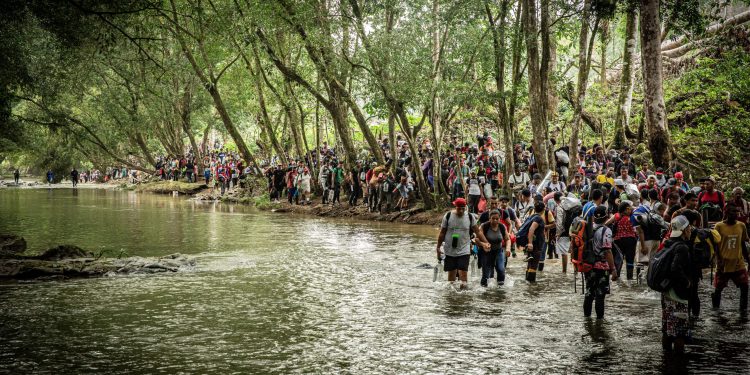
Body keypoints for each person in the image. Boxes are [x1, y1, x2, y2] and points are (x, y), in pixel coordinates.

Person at [436, 198, 491, 289]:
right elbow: (442, 233)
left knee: (464, 276)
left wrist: (486, 242)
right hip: (450, 249)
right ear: (455, 207)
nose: (461, 210)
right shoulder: (448, 216)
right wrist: (438, 247)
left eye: (463, 208)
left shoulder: (469, 217)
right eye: (459, 208)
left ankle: (464, 296)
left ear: (465, 207)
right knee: (451, 278)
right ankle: (452, 298)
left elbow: (478, 232)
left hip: (464, 249)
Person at [660, 215, 694, 353]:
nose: (690, 230)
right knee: (680, 333)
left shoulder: (667, 242)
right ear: (684, 230)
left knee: (667, 329)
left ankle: (666, 360)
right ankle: (679, 364)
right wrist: (687, 282)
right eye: (689, 228)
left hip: (666, 293)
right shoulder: (682, 247)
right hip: (677, 296)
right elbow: (675, 268)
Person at [711, 204, 749, 313]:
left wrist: (748, 260)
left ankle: (743, 311)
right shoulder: (719, 226)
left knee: (745, 287)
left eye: (736, 212)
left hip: (738, 263)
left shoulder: (741, 225)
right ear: (726, 213)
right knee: (718, 289)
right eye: (732, 212)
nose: (735, 215)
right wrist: (718, 260)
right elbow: (716, 245)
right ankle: (716, 312)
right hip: (724, 263)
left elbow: (742, 244)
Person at [584, 206, 619, 319]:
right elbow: (608, 251)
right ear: (607, 217)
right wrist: (613, 269)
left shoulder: (589, 228)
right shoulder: (606, 230)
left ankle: (587, 319)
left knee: (589, 293)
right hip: (601, 267)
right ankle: (599, 322)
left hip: (588, 266)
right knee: (600, 295)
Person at [606, 201, 638, 280]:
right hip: (630, 241)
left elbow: (606, 223)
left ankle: (616, 276)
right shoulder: (632, 217)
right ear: (626, 209)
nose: (630, 210)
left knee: (618, 259)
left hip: (618, 241)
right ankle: (629, 278)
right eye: (629, 208)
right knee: (630, 259)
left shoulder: (616, 216)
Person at [479, 209, 511, 287]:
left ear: (500, 219)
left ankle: (500, 289)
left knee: (501, 270)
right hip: (486, 252)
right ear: (489, 218)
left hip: (498, 251)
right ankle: (484, 290)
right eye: (493, 218)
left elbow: (507, 239)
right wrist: (483, 244)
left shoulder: (502, 226)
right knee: (486, 274)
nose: (495, 220)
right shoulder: (484, 226)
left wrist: (508, 248)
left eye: (497, 219)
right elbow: (476, 239)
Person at [521, 201, 547, 282]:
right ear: (543, 209)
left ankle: (528, 283)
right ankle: (531, 285)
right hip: (535, 245)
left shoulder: (532, 216)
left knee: (530, 264)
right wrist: (530, 243)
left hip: (533, 244)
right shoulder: (538, 218)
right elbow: (531, 229)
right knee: (534, 265)